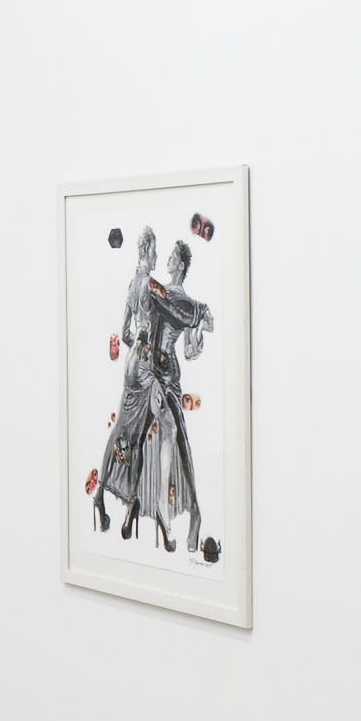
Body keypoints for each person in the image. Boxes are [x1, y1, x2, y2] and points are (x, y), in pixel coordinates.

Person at [92, 229, 213, 553]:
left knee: (127, 434)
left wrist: (139, 344)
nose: (159, 257)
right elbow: (175, 310)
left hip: (133, 365)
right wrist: (198, 314)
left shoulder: (133, 284)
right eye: (156, 252)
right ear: (147, 253)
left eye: (164, 254)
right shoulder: (152, 285)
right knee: (166, 429)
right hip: (149, 370)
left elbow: (124, 332)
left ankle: (111, 498)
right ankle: (157, 508)